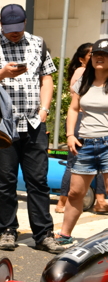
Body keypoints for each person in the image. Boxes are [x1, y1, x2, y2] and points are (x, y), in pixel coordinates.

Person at [0, 4, 63, 253]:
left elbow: (47, 78)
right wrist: (1, 74)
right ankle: (7, 230)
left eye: (18, 28)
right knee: (5, 181)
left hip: (33, 123)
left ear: (24, 22)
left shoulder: (38, 44)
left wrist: (44, 111)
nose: (14, 33)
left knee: (38, 181)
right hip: (2, 125)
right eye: (8, 29)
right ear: (0, 24)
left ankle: (43, 233)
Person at [56, 39, 108, 246]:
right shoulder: (83, 81)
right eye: (96, 54)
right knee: (75, 192)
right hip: (85, 143)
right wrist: (70, 135)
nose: (100, 58)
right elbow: (73, 109)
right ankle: (64, 235)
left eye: (104, 54)